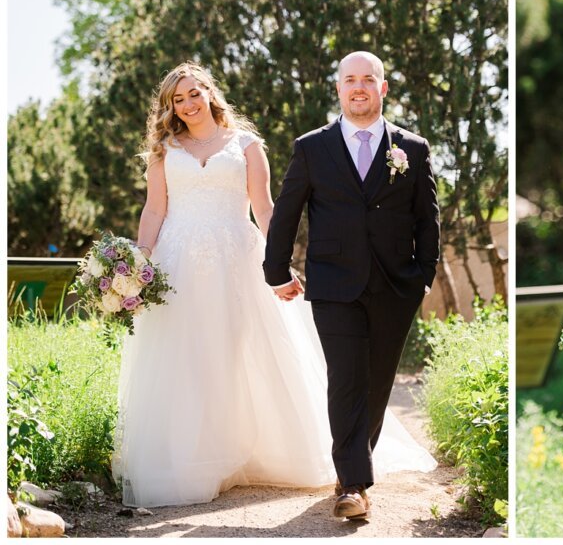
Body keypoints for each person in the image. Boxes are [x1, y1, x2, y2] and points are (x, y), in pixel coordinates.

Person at [112, 62, 434, 509]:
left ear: (209, 92)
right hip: (177, 262)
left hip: (235, 260)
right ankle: (194, 459)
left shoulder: (246, 145)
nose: (186, 105)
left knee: (238, 351)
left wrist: (278, 266)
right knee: (183, 355)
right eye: (176, 100)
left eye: (192, 94)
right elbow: (154, 210)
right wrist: (137, 266)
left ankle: (267, 455)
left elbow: (267, 210)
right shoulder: (165, 150)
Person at [264, 51, 441, 521]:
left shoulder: (414, 148)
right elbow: (287, 212)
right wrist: (276, 270)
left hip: (396, 285)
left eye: (368, 80)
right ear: (339, 89)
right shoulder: (311, 147)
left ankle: (352, 470)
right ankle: (354, 485)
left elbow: (428, 219)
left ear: (383, 89)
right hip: (333, 283)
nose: (358, 87)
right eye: (349, 80)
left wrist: (425, 275)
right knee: (346, 378)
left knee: (378, 380)